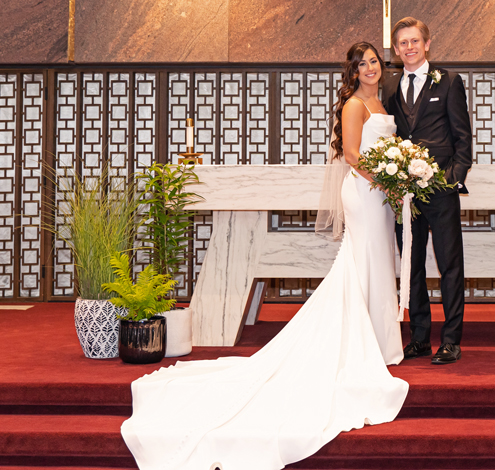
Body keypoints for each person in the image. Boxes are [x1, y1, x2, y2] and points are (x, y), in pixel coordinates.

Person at [120, 42, 408, 470]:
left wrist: (394, 179)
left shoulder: (381, 102)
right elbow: (351, 155)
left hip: (380, 195)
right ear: (352, 70)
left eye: (374, 62)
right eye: (362, 63)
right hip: (366, 193)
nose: (370, 68)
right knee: (362, 262)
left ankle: (379, 342)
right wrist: (385, 180)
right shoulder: (354, 105)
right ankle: (360, 344)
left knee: (379, 265)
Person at [383, 17, 472, 365]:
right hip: (405, 193)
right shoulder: (390, 85)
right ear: (396, 49)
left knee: (450, 265)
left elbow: (462, 137)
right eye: (403, 43)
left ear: (427, 43)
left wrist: (452, 178)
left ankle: (451, 340)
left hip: (441, 189)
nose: (410, 47)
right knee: (412, 264)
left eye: (415, 41)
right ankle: (419, 337)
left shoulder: (448, 81)